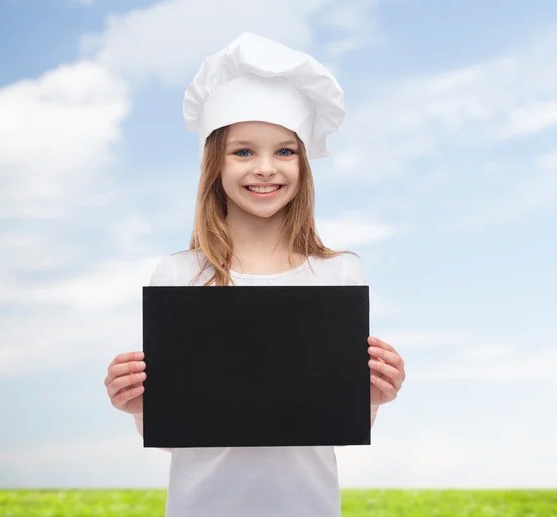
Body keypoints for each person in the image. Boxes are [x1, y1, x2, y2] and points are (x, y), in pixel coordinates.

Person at [104, 31, 406, 517]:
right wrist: (138, 406)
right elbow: (177, 432)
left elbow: (332, 423)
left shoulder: (338, 274)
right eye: (243, 151)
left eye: (285, 151)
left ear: (304, 164)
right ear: (214, 165)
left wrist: (372, 397)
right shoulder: (179, 275)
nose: (266, 169)